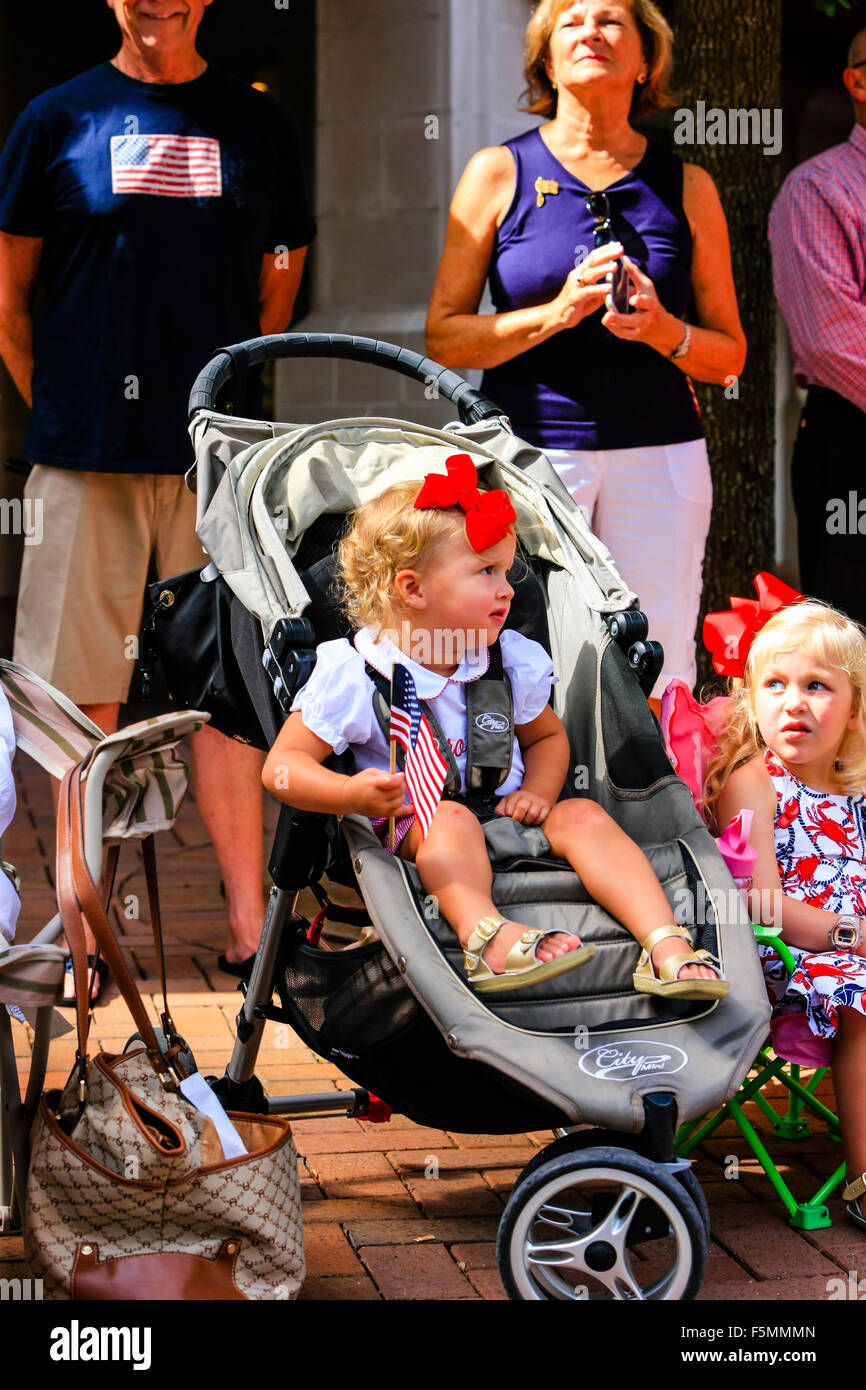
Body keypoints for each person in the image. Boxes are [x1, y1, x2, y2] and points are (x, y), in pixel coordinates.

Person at [0, 0, 315, 995]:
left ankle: (244, 921)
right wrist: (67, 407)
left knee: (226, 699)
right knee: (79, 706)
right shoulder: (55, 120)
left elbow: (278, 289)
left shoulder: (257, 122)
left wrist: (204, 403)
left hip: (209, 466)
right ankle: (83, 929)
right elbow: (8, 297)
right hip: (81, 459)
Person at [262, 458, 728, 999]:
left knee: (584, 814)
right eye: (486, 573)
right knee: (452, 818)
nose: (507, 590)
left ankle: (665, 943)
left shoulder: (507, 659)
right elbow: (281, 769)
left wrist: (538, 791)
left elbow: (546, 739)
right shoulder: (357, 672)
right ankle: (487, 938)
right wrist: (348, 791)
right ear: (412, 589)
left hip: (508, 814)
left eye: (506, 572)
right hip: (417, 822)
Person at [425, 0, 745, 708]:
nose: (590, 32)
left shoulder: (687, 185)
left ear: (645, 61)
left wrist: (665, 329)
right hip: (532, 453)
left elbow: (730, 358)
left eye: (610, 22)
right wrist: (555, 313)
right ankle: (532, 810)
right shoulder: (497, 172)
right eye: (570, 20)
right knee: (525, 641)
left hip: (660, 456)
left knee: (658, 651)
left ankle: (662, 813)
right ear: (546, 57)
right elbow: (444, 334)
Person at [702, 599, 866, 1229]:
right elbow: (761, 906)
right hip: (784, 961)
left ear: (852, 712)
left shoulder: (853, 790)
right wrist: (852, 937)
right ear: (751, 699)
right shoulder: (757, 782)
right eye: (774, 684)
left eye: (817, 687)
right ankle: (860, 1179)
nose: (793, 703)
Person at [768, 27, 866, 628]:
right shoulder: (817, 188)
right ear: (857, 79)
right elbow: (835, 342)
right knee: (856, 643)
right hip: (854, 441)